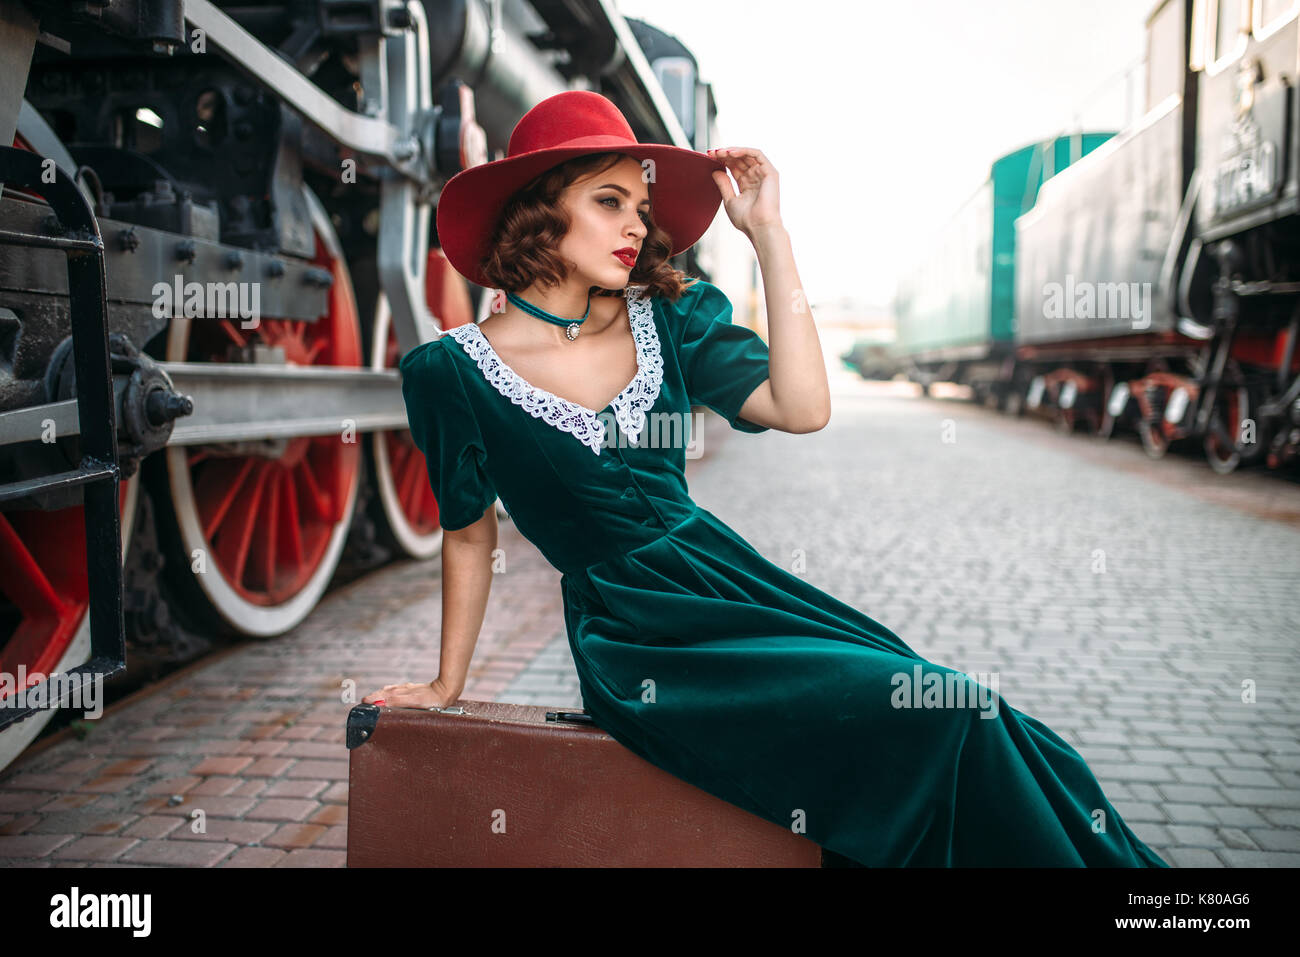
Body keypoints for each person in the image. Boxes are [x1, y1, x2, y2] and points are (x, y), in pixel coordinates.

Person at [361, 90, 1168, 867]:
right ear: (539, 207)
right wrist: (446, 683)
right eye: (609, 202)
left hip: (735, 586)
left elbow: (802, 405)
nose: (636, 227)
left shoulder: (669, 317)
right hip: (639, 640)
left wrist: (769, 235)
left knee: (964, 706)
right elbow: (466, 533)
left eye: (640, 210)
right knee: (939, 721)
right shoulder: (450, 371)